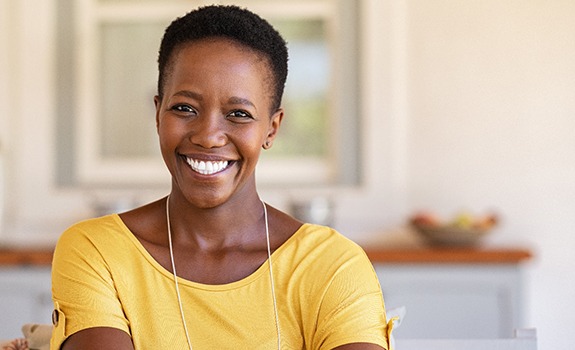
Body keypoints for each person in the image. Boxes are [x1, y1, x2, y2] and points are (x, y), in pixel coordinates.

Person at [50, 5, 393, 350]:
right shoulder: (98, 251)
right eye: (184, 108)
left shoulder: (331, 265)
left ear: (271, 129)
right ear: (158, 113)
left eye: (239, 114)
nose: (208, 135)